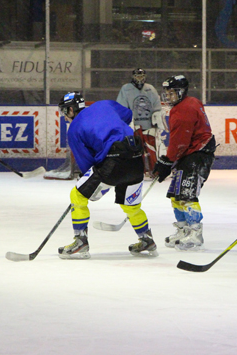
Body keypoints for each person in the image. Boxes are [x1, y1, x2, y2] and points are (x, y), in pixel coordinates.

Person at [57, 92, 158, 259]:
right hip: (136, 158)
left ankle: (80, 241)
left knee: (77, 196)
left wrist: (87, 183)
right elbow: (127, 115)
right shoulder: (104, 104)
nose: (65, 117)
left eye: (64, 112)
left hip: (113, 162)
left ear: (70, 110)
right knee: (131, 205)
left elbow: (86, 162)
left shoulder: (74, 128)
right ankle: (147, 239)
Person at [152, 75, 216, 251]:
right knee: (175, 195)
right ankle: (183, 229)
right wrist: (168, 160)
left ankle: (195, 232)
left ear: (181, 92)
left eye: (172, 92)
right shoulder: (191, 102)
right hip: (190, 153)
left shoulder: (182, 110)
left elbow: (180, 141)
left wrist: (167, 161)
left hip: (197, 154)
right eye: (167, 92)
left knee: (187, 195)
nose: (168, 96)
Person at [116, 68, 165, 176]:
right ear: (133, 77)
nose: (139, 79)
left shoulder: (150, 89)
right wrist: (127, 121)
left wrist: (156, 117)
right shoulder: (126, 89)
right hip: (134, 126)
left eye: (141, 76)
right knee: (135, 150)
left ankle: (154, 170)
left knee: (152, 149)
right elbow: (121, 107)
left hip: (149, 125)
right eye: (137, 76)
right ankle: (137, 171)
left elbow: (157, 107)